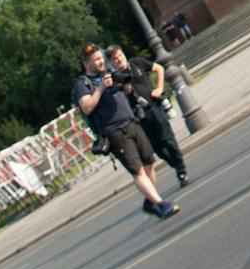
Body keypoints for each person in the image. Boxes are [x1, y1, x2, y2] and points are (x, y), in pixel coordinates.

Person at [72, 44, 177, 219]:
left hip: (131, 122)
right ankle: (160, 204)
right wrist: (101, 89)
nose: (100, 62)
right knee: (137, 170)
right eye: (96, 59)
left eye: (101, 58)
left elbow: (127, 92)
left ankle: (150, 201)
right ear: (86, 63)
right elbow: (87, 107)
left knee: (149, 161)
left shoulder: (110, 74)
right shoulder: (82, 84)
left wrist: (124, 85)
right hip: (114, 132)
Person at [105, 43, 188, 188]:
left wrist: (160, 88)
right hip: (139, 116)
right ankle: (175, 164)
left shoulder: (136, 63)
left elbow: (159, 68)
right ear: (112, 63)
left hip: (153, 107)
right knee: (156, 148)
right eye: (115, 59)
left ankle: (181, 170)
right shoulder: (116, 78)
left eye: (120, 56)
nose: (119, 60)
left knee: (167, 139)